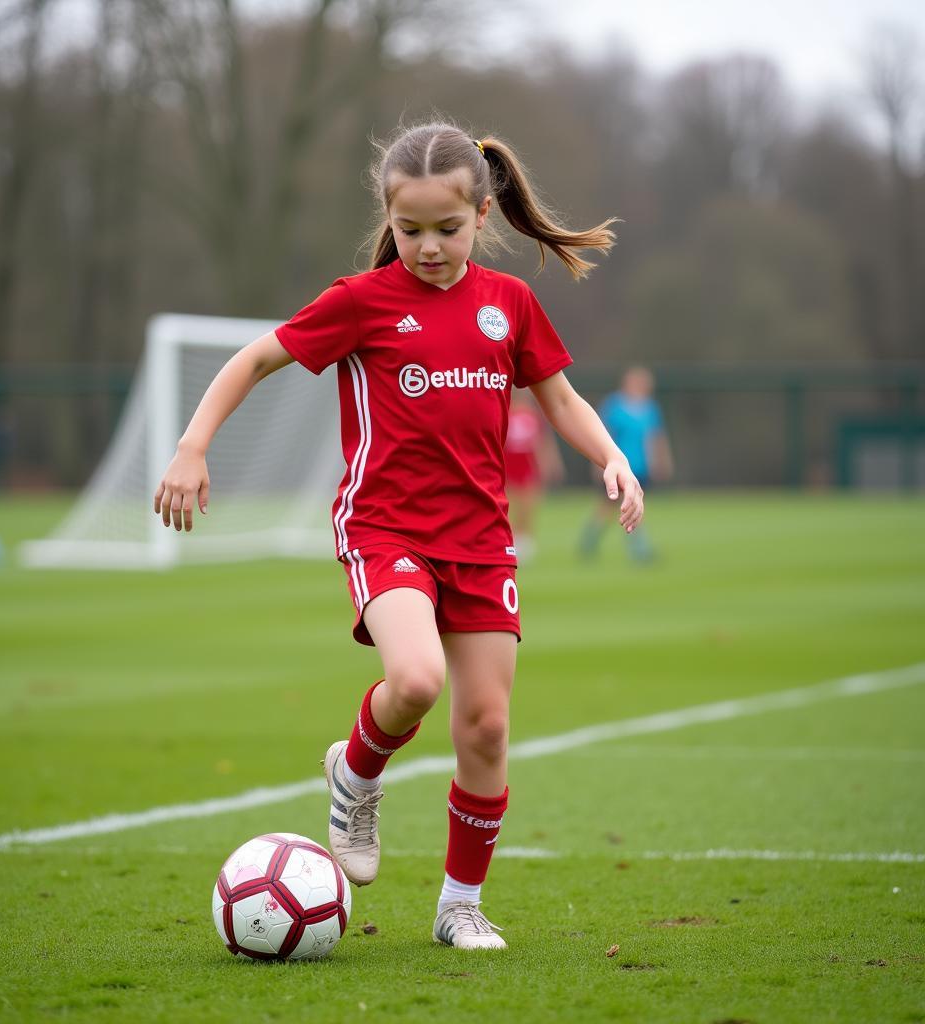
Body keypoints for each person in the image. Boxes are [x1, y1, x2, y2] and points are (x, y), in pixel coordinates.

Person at [152, 121, 643, 951]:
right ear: (389, 215)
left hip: (483, 540)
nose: (427, 246)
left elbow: (559, 399)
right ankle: (355, 772)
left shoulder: (509, 304)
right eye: (409, 229)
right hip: (385, 528)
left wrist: (613, 458)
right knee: (414, 679)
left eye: (446, 230)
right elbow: (252, 361)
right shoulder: (361, 302)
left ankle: (459, 907)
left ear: (482, 215)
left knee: (485, 727)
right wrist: (192, 445)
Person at [581, 366, 672, 562]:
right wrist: (598, 464)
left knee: (634, 505)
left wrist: (660, 461)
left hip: (640, 467)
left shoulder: (649, 408)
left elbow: (655, 437)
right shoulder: (614, 406)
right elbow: (602, 434)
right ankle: (593, 541)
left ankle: (637, 548)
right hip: (618, 467)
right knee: (609, 506)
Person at [503, 388, 565, 560]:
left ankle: (525, 541)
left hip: (527, 464)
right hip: (509, 464)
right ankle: (510, 541)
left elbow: (542, 441)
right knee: (509, 505)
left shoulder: (534, 415)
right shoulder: (505, 412)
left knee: (528, 504)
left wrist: (549, 463)